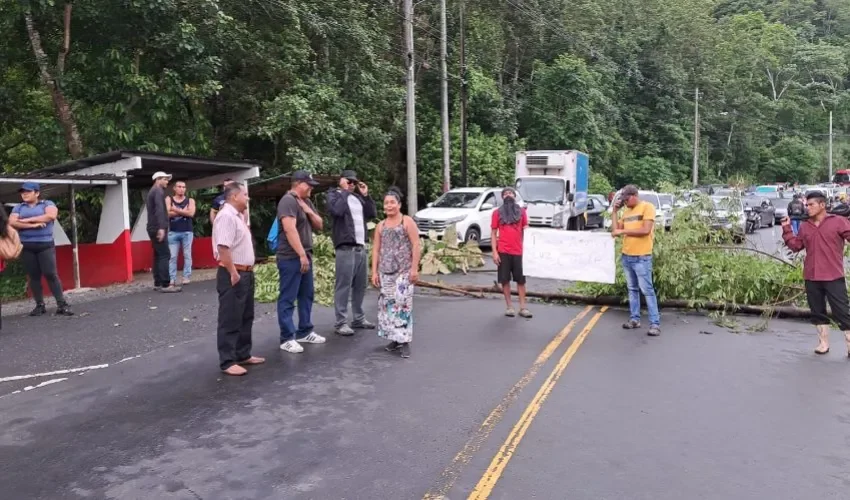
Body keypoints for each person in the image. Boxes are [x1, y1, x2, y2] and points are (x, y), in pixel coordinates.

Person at [782, 191, 850, 355]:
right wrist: (786, 228)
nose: (808, 208)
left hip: (833, 275)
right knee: (817, 312)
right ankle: (823, 343)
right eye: (807, 205)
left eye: (811, 204)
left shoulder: (838, 222)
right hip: (812, 276)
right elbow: (795, 246)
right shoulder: (805, 226)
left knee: (842, 312)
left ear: (822, 205)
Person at [213, 182, 265, 376]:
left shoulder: (238, 216)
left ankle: (243, 354)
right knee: (230, 317)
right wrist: (233, 272)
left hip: (245, 272)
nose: (248, 198)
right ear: (234, 196)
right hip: (233, 273)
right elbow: (223, 248)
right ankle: (227, 361)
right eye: (245, 194)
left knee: (245, 315)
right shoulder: (226, 216)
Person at [277, 170, 325, 353]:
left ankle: (305, 331)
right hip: (291, 257)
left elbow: (320, 225)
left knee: (306, 295)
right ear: (299, 184)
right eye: (309, 185)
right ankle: (287, 337)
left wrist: (307, 210)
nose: (311, 188)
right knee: (288, 297)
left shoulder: (306, 202)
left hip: (305, 255)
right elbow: (290, 230)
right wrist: (301, 255)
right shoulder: (287, 201)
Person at [9, 182, 73, 316]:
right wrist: (33, 226)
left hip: (45, 244)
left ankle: (62, 304)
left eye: (28, 191)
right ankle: (39, 305)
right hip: (27, 246)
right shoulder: (18, 207)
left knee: (51, 274)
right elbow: (12, 222)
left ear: (37, 193)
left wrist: (25, 221)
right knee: (34, 276)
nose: (24, 194)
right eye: (22, 192)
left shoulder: (47, 204)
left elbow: (50, 216)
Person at [371, 189, 421, 358]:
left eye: (392, 202)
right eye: (386, 203)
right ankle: (394, 338)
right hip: (386, 271)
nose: (389, 206)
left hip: (403, 271)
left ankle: (405, 341)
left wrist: (414, 269)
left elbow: (415, 245)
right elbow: (376, 249)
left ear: (399, 205)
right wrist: (374, 272)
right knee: (387, 305)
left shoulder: (406, 221)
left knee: (403, 304)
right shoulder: (381, 225)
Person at [328, 169, 377, 336]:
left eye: (354, 182)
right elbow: (337, 212)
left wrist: (365, 195)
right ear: (341, 181)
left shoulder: (357, 198)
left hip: (361, 246)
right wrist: (344, 192)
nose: (352, 184)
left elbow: (372, 214)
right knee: (343, 285)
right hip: (345, 247)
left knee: (360, 285)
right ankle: (340, 322)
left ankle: (358, 318)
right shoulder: (334, 195)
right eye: (348, 181)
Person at [611, 184, 661, 336]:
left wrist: (623, 230)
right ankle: (634, 319)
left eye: (626, 200)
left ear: (633, 196)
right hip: (627, 256)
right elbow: (615, 230)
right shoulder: (626, 211)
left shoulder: (647, 207)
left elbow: (645, 230)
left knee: (647, 290)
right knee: (632, 289)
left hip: (642, 257)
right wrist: (614, 212)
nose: (625, 203)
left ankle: (655, 324)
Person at [492, 187, 531, 318]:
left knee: (521, 280)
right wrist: (494, 252)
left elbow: (527, 232)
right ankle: (509, 307)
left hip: (519, 251)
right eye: (505, 194)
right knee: (505, 280)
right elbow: (493, 233)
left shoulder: (522, 212)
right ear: (502, 197)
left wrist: (527, 249)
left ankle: (523, 308)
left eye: (510, 193)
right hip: (503, 250)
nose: (508, 195)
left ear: (515, 197)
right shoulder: (497, 213)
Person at [147, 172, 179, 292]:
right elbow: (160, 210)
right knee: (165, 254)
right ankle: (166, 284)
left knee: (158, 255)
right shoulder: (158, 191)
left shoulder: (153, 191)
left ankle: (158, 282)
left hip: (152, 226)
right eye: (165, 179)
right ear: (158, 180)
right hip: (157, 227)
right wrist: (161, 228)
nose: (167, 182)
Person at [166, 180, 196, 286]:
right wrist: (184, 212)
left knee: (187, 255)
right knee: (172, 256)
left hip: (187, 232)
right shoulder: (169, 199)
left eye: (184, 187)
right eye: (179, 186)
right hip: (173, 232)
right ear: (174, 188)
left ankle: (186, 276)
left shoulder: (190, 200)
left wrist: (174, 209)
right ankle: (172, 278)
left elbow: (191, 213)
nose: (182, 189)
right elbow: (167, 214)